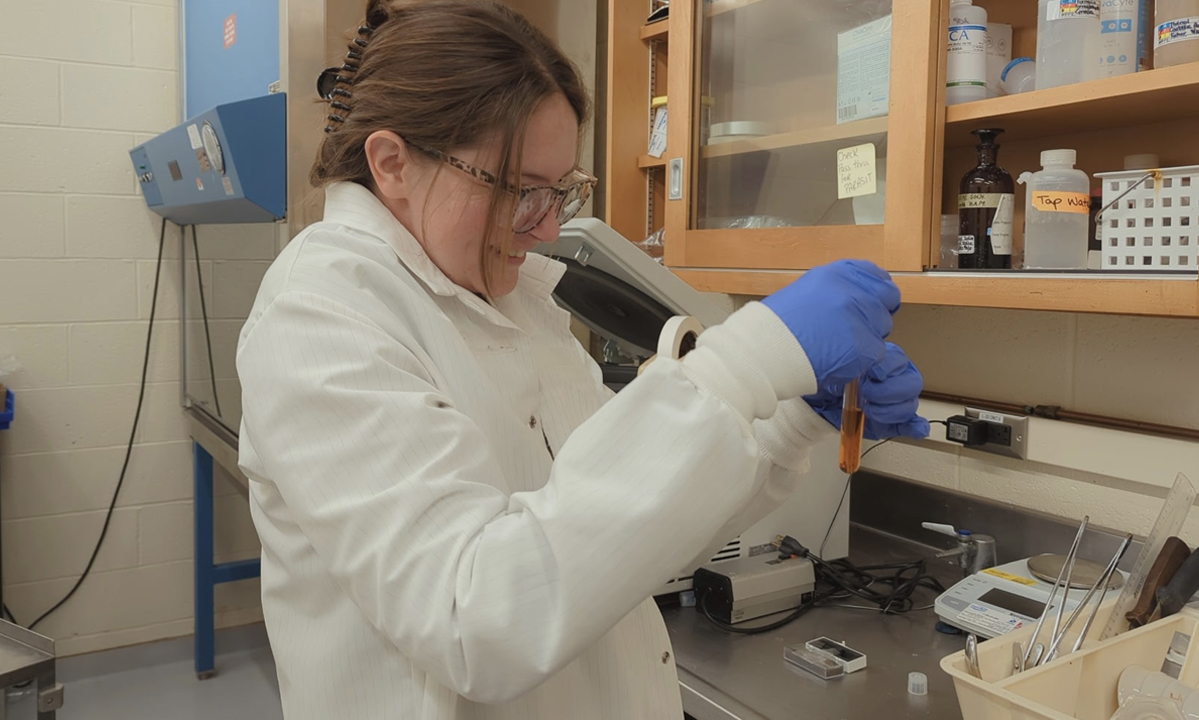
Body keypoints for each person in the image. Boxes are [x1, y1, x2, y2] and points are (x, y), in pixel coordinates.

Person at [235, 1, 928, 718]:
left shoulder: (512, 300)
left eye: (560, 190)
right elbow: (473, 621)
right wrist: (749, 360)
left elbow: (635, 525)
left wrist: (787, 418)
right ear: (392, 164)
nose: (544, 226)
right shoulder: (320, 315)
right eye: (519, 189)